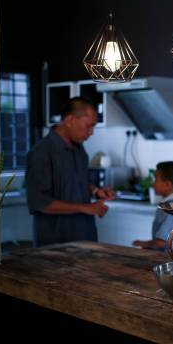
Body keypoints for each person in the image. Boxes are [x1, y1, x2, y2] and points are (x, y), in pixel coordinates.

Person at [26, 97, 115, 246]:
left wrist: (96, 191)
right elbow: (39, 202)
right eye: (89, 126)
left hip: (85, 237)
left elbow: (79, 182)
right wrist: (86, 208)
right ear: (70, 120)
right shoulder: (41, 153)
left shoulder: (79, 149)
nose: (91, 132)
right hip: (55, 242)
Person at [133, 161, 173, 251]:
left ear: (167, 185)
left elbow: (160, 243)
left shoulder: (172, 209)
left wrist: (143, 243)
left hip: (167, 261)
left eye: (156, 179)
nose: (153, 184)